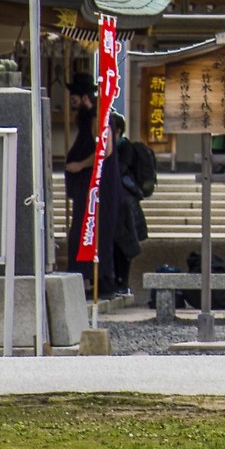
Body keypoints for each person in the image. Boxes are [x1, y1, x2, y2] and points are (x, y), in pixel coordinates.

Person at [105, 112, 155, 299]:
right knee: (116, 244)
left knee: (123, 244)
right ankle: (116, 281)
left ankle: (122, 283)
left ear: (117, 130)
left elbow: (120, 170)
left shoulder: (125, 148)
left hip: (125, 203)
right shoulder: (116, 147)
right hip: (118, 201)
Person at [61, 73, 98, 281]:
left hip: (87, 182)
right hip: (79, 183)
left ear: (85, 97)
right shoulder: (84, 118)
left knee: (81, 228)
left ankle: (82, 271)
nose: (72, 102)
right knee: (77, 227)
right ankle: (77, 268)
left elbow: (102, 151)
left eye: (74, 98)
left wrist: (79, 165)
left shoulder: (94, 118)